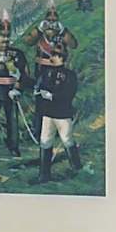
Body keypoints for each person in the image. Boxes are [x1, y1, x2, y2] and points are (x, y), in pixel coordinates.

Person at [30, 41, 82, 185]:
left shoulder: (70, 75)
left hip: (63, 114)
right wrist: (37, 91)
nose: (53, 57)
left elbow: (69, 93)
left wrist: (52, 96)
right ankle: (44, 175)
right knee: (45, 141)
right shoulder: (45, 73)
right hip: (48, 113)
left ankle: (77, 168)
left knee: (67, 140)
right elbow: (38, 86)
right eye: (53, 54)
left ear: (63, 58)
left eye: (56, 55)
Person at [25, 4, 78, 140]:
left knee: (57, 98)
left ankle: (59, 131)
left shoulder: (62, 36)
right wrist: (38, 29)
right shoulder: (40, 35)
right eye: (49, 20)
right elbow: (28, 41)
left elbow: (74, 44)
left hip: (59, 72)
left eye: (54, 20)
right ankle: (39, 131)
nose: (51, 23)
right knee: (40, 101)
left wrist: (63, 30)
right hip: (41, 71)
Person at [0, 19, 31, 160]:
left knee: (13, 121)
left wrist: (18, 87)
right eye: (2, 36)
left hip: (11, 92)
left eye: (7, 36)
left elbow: (24, 73)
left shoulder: (17, 54)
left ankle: (13, 148)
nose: (5, 39)